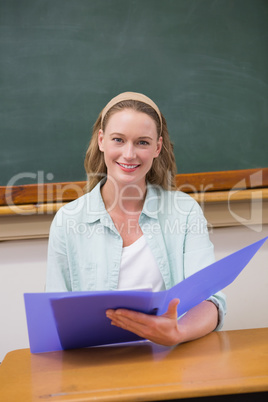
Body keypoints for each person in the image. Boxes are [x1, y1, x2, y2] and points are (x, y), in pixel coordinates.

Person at [46, 91, 226, 346]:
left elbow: (212, 300)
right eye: (118, 140)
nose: (129, 154)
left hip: (172, 359)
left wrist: (178, 332)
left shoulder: (184, 212)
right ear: (101, 141)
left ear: (157, 147)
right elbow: (55, 314)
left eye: (142, 142)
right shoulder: (69, 220)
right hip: (96, 366)